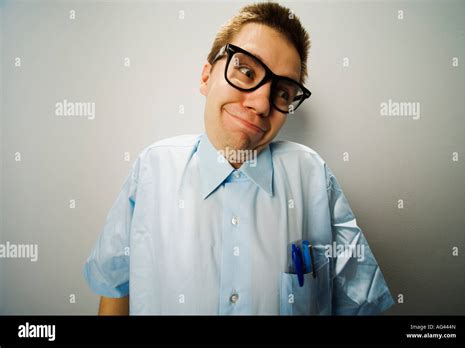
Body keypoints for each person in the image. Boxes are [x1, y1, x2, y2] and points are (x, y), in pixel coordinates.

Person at [83, 2, 395, 315]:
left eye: (283, 92)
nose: (261, 104)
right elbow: (114, 287)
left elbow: (358, 303)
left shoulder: (313, 177)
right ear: (206, 77)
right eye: (246, 71)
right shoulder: (152, 169)